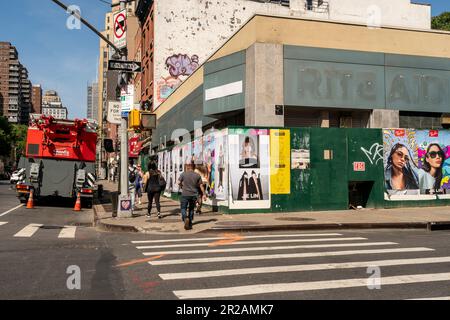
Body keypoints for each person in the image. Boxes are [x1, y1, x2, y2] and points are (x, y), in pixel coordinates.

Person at [178, 163, 206, 230]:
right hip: (193, 195)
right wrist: (204, 194)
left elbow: (178, 182)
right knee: (191, 209)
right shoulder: (197, 175)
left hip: (185, 194)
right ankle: (190, 222)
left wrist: (182, 186)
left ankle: (185, 218)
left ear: (188, 167)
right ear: (194, 168)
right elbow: (201, 186)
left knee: (183, 208)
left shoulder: (183, 174)